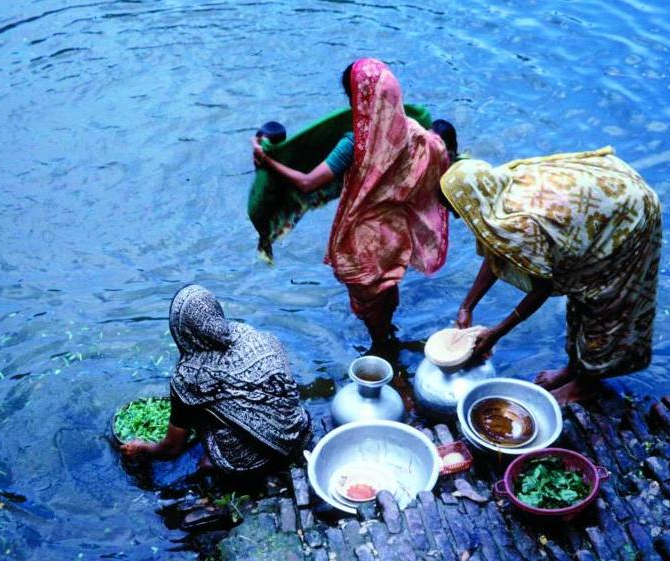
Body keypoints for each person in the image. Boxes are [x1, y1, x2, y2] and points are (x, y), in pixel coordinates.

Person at [252, 59, 456, 347]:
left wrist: (269, 162)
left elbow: (308, 183)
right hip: (396, 236)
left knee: (370, 308)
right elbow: (438, 161)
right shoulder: (414, 134)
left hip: (364, 242)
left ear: (356, 97)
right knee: (387, 292)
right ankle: (390, 337)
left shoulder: (354, 143)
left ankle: (384, 351)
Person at [440, 146, 662, 404]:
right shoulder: (494, 187)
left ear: (473, 200)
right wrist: (467, 306)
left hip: (628, 214)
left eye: (457, 209)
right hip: (604, 196)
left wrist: (497, 332)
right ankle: (573, 369)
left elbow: (543, 287)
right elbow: (497, 253)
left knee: (603, 300)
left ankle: (584, 385)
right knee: (579, 293)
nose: (457, 217)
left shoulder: (524, 222)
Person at [120, 284, 310, 475]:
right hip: (302, 431)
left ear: (180, 331)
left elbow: (171, 448)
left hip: (264, 459)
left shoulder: (188, 376)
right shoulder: (251, 333)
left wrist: (143, 447)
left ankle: (223, 467)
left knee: (196, 417)